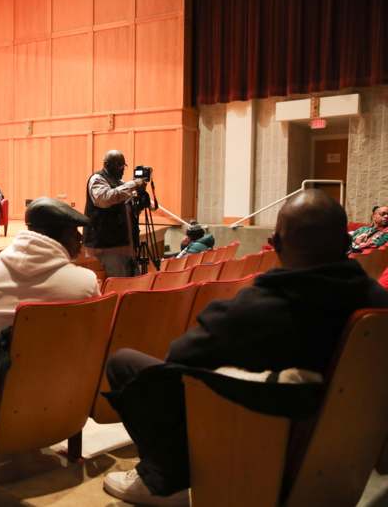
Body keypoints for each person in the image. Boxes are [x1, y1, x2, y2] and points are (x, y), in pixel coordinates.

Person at [101, 189, 388, 506]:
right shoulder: (376, 300)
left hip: (262, 436)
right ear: (346, 242)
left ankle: (166, 480)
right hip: (336, 448)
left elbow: (179, 357)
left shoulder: (263, 307)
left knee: (125, 363)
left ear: (275, 245)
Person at [0, 197, 100, 349]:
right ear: (61, 236)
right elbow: (96, 334)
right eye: (74, 231)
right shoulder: (85, 281)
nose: (80, 237)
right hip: (57, 370)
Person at [84, 150, 148, 277]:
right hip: (107, 246)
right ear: (107, 165)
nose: (122, 170)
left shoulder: (120, 183)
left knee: (131, 282)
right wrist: (134, 184)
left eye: (124, 166)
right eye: (119, 166)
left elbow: (127, 208)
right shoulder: (97, 179)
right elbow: (105, 199)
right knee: (117, 285)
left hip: (125, 243)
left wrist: (141, 201)